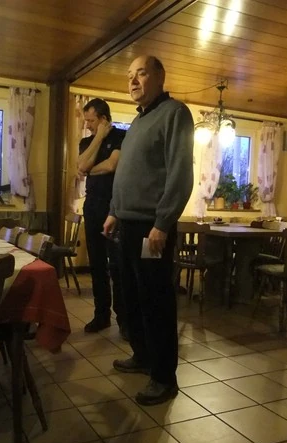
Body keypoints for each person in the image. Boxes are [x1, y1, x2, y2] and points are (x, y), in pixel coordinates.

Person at [103, 55, 194, 406]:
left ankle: (164, 378)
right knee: (131, 297)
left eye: (141, 73)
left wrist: (162, 223)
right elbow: (127, 173)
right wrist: (114, 211)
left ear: (159, 76)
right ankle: (142, 356)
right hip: (127, 225)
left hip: (151, 228)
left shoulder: (175, 113)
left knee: (156, 301)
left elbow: (180, 173)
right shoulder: (138, 122)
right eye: (130, 75)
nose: (133, 81)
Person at [77, 98, 127, 338]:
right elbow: (80, 165)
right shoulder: (87, 141)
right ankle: (101, 315)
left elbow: (111, 166)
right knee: (96, 264)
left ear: (104, 119)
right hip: (92, 207)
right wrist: (98, 138)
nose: (87, 125)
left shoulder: (121, 136)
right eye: (86, 121)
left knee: (117, 265)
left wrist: (88, 168)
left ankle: (124, 319)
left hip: (114, 207)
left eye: (91, 121)